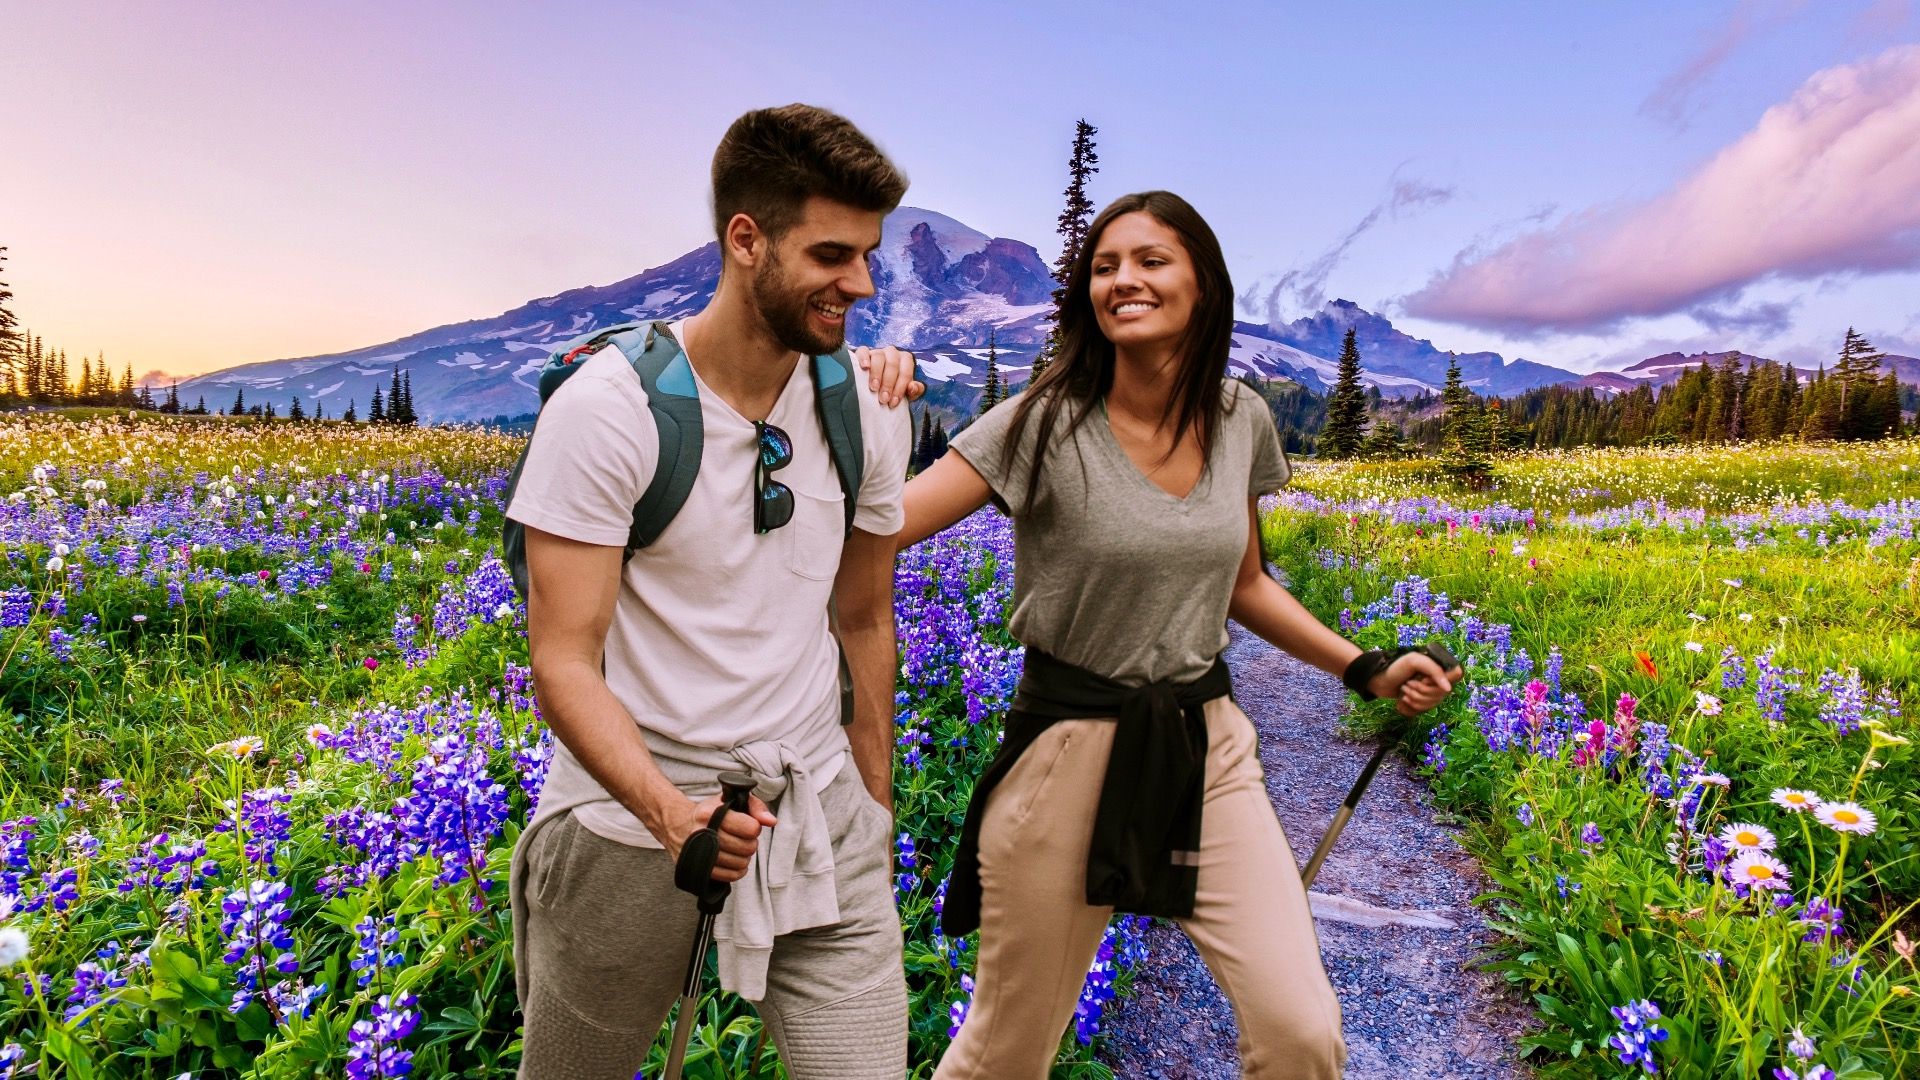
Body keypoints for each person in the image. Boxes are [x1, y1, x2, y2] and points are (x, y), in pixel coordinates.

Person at [863, 190, 1462, 1079]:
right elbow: (881, 527)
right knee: (1006, 1052)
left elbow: (1246, 581)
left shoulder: (1239, 418)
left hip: (1205, 745)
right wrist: (876, 416)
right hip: (1065, 749)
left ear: (1201, 284)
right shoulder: (1040, 420)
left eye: (1151, 260)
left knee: (1303, 1034)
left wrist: (1364, 666)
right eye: (1105, 267)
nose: (1124, 280)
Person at [505, 103, 923, 1080]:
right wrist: (669, 814)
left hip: (818, 814)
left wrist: (876, 801)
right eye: (831, 254)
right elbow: (562, 660)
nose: (859, 283)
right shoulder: (608, 413)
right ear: (746, 240)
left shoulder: (867, 409)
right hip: (631, 823)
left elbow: (864, 616)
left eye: (867, 255)